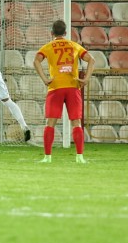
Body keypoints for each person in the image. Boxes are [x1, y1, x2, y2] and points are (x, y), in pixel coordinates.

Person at [33, 20, 95, 164]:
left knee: (50, 123)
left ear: (51, 33)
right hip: (73, 86)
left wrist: (44, 79)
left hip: (56, 87)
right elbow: (92, 60)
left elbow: (36, 61)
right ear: (66, 33)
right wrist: (86, 79)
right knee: (76, 122)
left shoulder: (48, 47)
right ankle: (80, 157)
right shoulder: (74, 45)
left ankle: (47, 157)